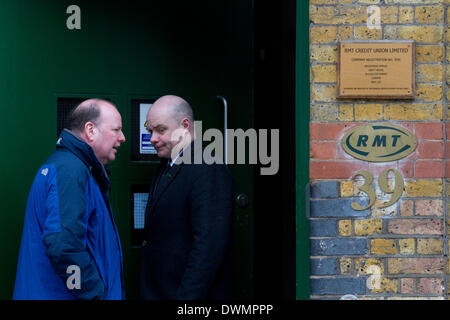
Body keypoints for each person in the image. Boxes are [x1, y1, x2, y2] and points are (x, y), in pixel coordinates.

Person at [13, 99, 126, 300]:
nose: (123, 138)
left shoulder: (69, 167)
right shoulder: (70, 171)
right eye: (116, 130)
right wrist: (95, 294)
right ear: (90, 130)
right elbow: (64, 246)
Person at [140, 95, 234, 300]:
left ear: (185, 126)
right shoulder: (166, 164)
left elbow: (208, 250)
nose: (152, 138)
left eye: (161, 130)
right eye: (150, 131)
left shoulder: (208, 169)